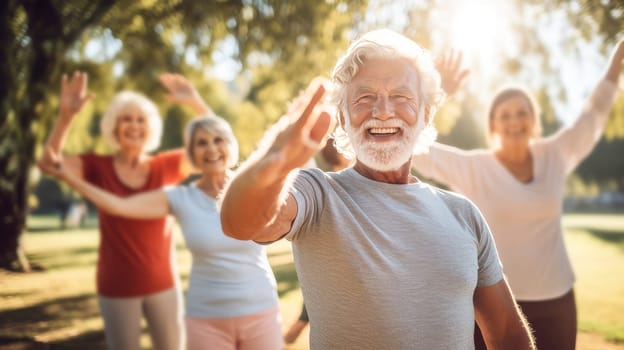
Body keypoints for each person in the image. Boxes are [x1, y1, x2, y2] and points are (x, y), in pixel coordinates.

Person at [219, 29, 535, 349]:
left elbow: (508, 334)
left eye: (401, 96)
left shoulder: (464, 214)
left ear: (426, 114)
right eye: (364, 97)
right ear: (342, 117)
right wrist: (273, 166)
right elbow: (240, 222)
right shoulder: (317, 194)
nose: (382, 111)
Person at [412, 39, 624, 350]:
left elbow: (593, 115)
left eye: (521, 113)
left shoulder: (556, 154)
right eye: (505, 115)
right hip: (492, 306)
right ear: (493, 124)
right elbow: (414, 147)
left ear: (533, 120)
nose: (514, 121)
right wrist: (434, 95)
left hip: (556, 303)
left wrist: (617, 59)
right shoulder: (476, 168)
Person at [39, 115, 283, 350]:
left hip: (261, 311)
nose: (211, 149)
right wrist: (69, 178)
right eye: (201, 142)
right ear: (191, 154)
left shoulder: (253, 188)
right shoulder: (181, 197)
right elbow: (119, 205)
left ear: (230, 144)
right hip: (206, 319)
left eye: (218, 140)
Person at [39, 71, 209, 350]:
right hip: (117, 285)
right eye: (126, 119)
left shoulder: (163, 166)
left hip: (164, 283)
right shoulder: (97, 166)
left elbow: (214, 148)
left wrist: (197, 104)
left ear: (150, 127)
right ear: (114, 127)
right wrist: (66, 117)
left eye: (140, 119)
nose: (134, 126)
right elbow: (49, 164)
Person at [283, 137, 353, 345]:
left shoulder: (325, 181)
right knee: (310, 316)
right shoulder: (331, 183)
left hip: (333, 265)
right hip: (334, 265)